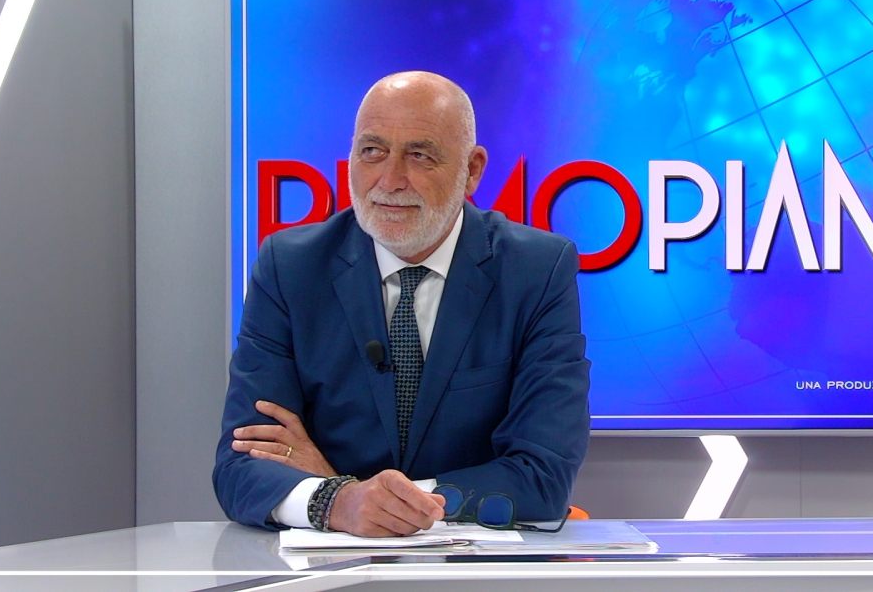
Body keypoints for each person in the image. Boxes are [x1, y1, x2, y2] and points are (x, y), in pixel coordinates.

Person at [213, 71, 591, 536]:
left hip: (476, 568)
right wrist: (340, 503)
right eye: (372, 151)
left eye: (420, 155)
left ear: (472, 170)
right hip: (324, 569)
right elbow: (242, 467)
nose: (390, 180)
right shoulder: (291, 267)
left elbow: (543, 476)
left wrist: (356, 496)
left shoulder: (536, 270)